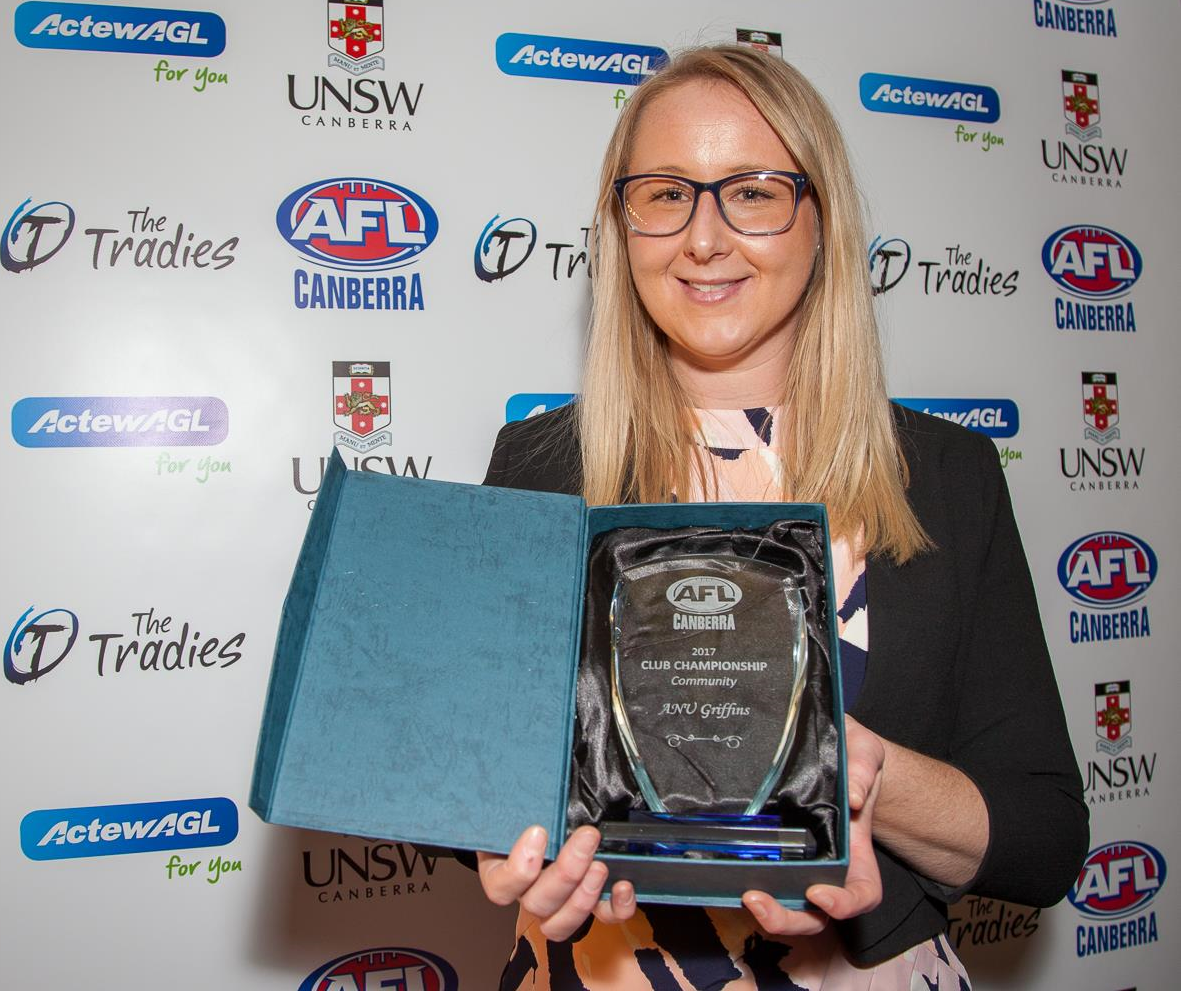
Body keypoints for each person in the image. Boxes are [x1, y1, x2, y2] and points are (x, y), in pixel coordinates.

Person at [476, 44, 1087, 990]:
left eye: (752, 192)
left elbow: (1042, 840)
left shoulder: (945, 474)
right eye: (664, 193)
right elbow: (462, 774)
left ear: (820, 218)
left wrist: (857, 776)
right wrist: (492, 846)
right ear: (618, 225)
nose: (704, 238)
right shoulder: (538, 465)